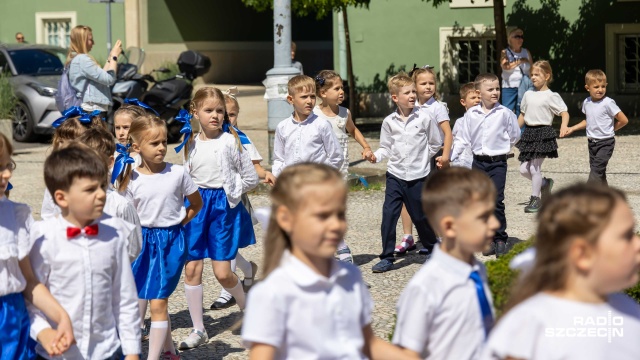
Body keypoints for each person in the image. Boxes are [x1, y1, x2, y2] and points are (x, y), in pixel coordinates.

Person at [242, 163, 418, 360]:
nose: (335, 225)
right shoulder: (272, 293)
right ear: (286, 219)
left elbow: (366, 342)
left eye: (340, 214)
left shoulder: (350, 277)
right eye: (322, 216)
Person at [482, 184, 640, 359]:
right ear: (582, 254)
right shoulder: (530, 327)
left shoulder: (628, 308)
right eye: (626, 236)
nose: (638, 244)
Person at [29, 145, 140, 359]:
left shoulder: (114, 234)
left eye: (101, 186)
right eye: (90, 190)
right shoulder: (42, 238)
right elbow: (30, 297)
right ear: (61, 198)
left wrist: (132, 350)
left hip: (106, 351)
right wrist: (42, 331)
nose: (101, 194)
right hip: (57, 353)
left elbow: (124, 297)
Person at [177, 87, 259, 349]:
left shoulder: (230, 141)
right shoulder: (189, 142)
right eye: (209, 110)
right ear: (195, 112)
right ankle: (199, 329)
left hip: (223, 208)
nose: (215, 115)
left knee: (223, 273)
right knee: (192, 268)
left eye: (220, 111)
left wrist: (231, 193)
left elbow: (251, 177)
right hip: (197, 206)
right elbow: (185, 176)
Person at [117, 115, 203, 360]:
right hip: (141, 243)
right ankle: (168, 349)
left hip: (170, 244)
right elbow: (125, 213)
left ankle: (153, 357)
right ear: (136, 147)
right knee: (143, 297)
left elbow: (196, 203)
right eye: (154, 143)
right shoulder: (131, 177)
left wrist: (179, 223)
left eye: (164, 141)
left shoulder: (177, 173)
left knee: (158, 301)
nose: (162, 147)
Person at [393, 168, 499, 359]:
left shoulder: (476, 270)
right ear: (450, 227)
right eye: (484, 217)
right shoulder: (426, 287)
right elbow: (407, 354)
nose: (495, 224)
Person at [0, 133, 75, 359]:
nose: (7, 174)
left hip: (12, 320)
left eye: (7, 165)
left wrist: (60, 317)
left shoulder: (15, 214)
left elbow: (30, 282)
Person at [208, 89, 273, 311]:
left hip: (234, 199)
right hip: (212, 199)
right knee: (226, 245)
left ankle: (227, 290)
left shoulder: (239, 137)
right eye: (224, 113)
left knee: (228, 243)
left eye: (232, 114)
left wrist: (267, 175)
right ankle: (248, 271)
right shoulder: (206, 137)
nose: (227, 119)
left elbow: (255, 167)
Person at [369, 73, 441, 273]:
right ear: (395, 97)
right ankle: (386, 257)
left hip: (418, 175)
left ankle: (432, 248)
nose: (412, 96)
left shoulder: (425, 117)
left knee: (420, 216)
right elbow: (385, 147)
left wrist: (423, 158)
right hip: (395, 175)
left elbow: (436, 142)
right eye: (407, 93)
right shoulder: (389, 122)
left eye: (413, 92)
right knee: (389, 215)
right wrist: (376, 156)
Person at [313, 70, 375, 263]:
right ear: (323, 93)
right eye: (337, 88)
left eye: (342, 88)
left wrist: (365, 146)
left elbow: (353, 129)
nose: (341, 92)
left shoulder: (344, 113)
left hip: (339, 171)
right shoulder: (313, 114)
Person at [456, 73, 520, 257]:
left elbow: (515, 135)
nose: (495, 92)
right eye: (490, 89)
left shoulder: (505, 114)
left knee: (496, 200)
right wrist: (450, 157)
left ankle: (500, 238)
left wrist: (503, 148)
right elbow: (462, 139)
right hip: (478, 163)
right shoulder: (471, 115)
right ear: (479, 92)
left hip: (498, 163)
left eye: (497, 89)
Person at [392, 65, 452, 256]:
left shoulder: (437, 107)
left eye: (431, 83)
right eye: (423, 83)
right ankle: (408, 237)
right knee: (406, 198)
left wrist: (446, 155)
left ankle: (437, 237)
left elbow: (447, 133)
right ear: (414, 86)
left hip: (432, 158)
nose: (428, 87)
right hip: (411, 159)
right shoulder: (410, 105)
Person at [77, 127, 142, 262]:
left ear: (110, 162)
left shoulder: (120, 205)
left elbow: (133, 248)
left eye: (93, 160)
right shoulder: (72, 200)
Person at [516, 60, 569, 213]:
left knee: (534, 167)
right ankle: (545, 183)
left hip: (544, 133)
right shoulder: (528, 94)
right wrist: (511, 131)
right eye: (531, 74)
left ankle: (535, 199)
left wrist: (564, 125)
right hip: (529, 133)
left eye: (537, 74)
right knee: (523, 170)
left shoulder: (551, 96)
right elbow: (523, 115)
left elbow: (564, 113)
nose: (533, 77)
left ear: (547, 76)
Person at [560, 69, 629, 185]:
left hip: (606, 143)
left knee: (595, 173)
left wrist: (610, 130)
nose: (600, 90)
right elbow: (588, 121)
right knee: (599, 173)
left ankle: (585, 197)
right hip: (592, 143)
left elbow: (624, 120)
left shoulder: (608, 103)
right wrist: (572, 128)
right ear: (588, 88)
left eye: (603, 86)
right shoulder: (587, 102)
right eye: (596, 87)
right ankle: (606, 198)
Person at [272, 75, 343, 177]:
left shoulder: (321, 125)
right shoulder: (283, 127)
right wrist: (278, 177)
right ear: (291, 99)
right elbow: (279, 158)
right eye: (304, 97)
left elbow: (336, 157)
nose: (309, 101)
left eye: (312, 96)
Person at [41, 108, 105, 220]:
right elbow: (47, 213)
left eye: (70, 142)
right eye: (60, 141)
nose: (63, 146)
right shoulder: (55, 176)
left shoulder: (96, 176)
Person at [66, 25, 122, 114]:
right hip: (92, 109)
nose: (93, 43)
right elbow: (109, 79)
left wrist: (110, 57)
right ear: (82, 41)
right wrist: (115, 56)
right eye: (90, 40)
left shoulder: (78, 59)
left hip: (90, 107)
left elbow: (101, 77)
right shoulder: (83, 60)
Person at [500, 28, 533, 116]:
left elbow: (532, 69)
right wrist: (520, 61)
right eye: (517, 36)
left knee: (522, 111)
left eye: (521, 37)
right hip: (509, 86)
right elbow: (505, 66)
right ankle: (507, 130)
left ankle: (521, 130)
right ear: (510, 38)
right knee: (507, 111)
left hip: (524, 86)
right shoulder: (505, 52)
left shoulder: (526, 52)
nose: (520, 39)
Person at [450, 82, 481, 169]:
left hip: (477, 162)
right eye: (473, 98)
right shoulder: (459, 122)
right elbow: (454, 140)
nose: (477, 100)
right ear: (463, 102)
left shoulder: (485, 121)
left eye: (479, 97)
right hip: (460, 161)